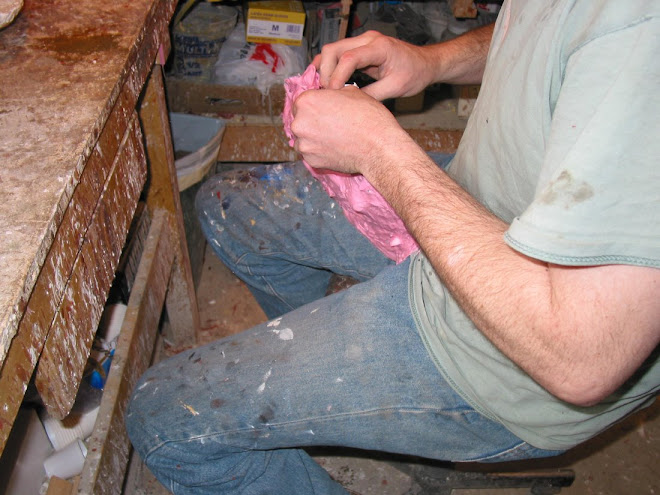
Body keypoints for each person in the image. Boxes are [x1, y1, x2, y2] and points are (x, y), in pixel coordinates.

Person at [126, 1, 660, 493]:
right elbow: (552, 27)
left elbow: (582, 359)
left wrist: (378, 149)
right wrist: (433, 61)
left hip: (510, 351)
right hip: (484, 201)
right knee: (226, 208)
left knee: (165, 420)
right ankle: (347, 394)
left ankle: (381, 394)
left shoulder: (645, 40)